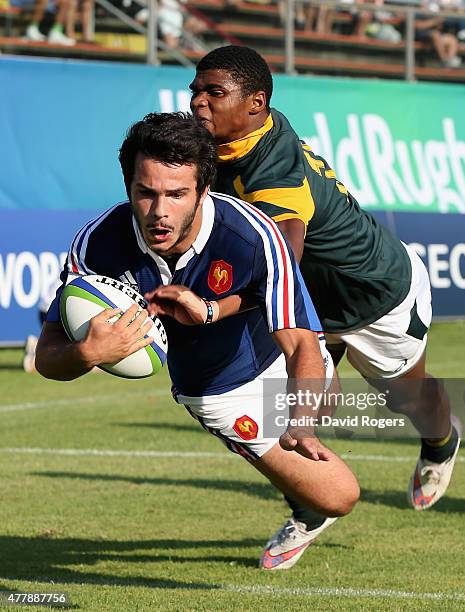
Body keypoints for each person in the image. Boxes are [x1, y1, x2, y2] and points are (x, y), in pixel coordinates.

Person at [35, 112, 360, 571]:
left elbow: (299, 346)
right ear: (128, 186)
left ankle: (326, 375)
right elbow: (49, 358)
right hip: (214, 387)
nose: (160, 211)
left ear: (204, 191)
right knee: (338, 496)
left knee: (318, 401)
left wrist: (301, 421)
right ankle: (307, 508)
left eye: (176, 194)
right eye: (145, 194)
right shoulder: (97, 244)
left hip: (272, 349)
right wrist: (85, 353)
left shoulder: (252, 235)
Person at [187, 45, 462, 517]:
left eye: (214, 93)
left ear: (255, 103)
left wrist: (213, 308)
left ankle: (441, 441)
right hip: (312, 301)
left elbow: (282, 262)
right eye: (196, 91)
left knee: (409, 400)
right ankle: (311, 503)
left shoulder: (273, 172)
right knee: (288, 408)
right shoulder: (237, 133)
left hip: (373, 295)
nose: (198, 102)